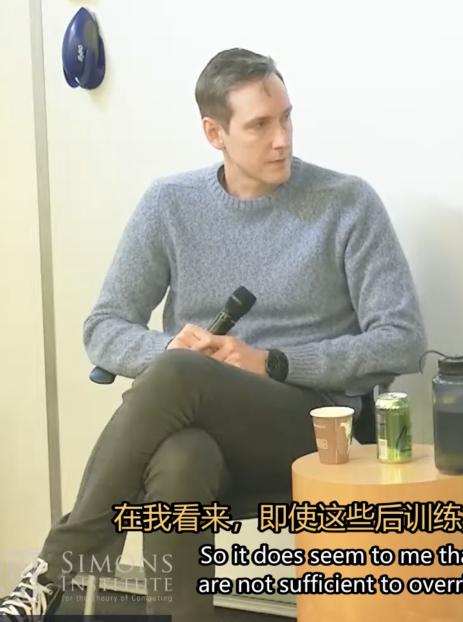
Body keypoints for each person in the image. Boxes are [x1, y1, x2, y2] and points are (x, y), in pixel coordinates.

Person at [0, 48, 426, 620]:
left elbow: (401, 339)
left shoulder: (347, 203)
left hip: (315, 427)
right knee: (180, 459)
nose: (282, 140)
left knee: (181, 376)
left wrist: (272, 362)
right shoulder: (170, 205)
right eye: (259, 125)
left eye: (287, 118)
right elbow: (103, 327)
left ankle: (55, 570)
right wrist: (167, 348)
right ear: (213, 132)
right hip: (202, 424)